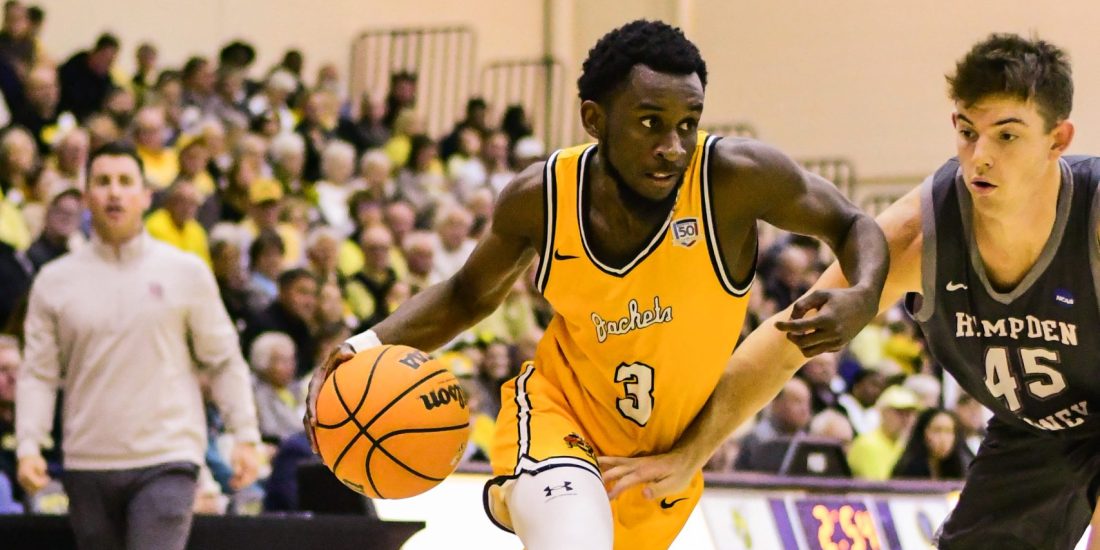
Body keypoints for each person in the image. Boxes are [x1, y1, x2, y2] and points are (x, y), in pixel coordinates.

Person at [305, 19, 888, 550]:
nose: (673, 147)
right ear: (594, 119)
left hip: (661, 456)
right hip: (561, 419)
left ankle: (512, 499)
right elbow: (466, 295)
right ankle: (524, 485)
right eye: (649, 123)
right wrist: (359, 349)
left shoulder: (735, 178)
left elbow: (853, 223)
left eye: (688, 124)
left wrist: (862, 296)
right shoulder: (543, 198)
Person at [600, 34, 1100, 550]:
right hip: (1037, 427)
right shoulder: (922, 235)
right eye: (969, 132)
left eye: (1008, 136)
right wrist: (690, 453)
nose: (981, 157)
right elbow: (788, 337)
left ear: (1058, 140)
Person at [16, 143, 260, 550]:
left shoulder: (186, 272)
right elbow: (38, 373)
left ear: (146, 196)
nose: (114, 192)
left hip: (167, 458)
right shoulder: (53, 281)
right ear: (87, 195)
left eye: (126, 182)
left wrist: (246, 436)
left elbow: (222, 360)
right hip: (86, 461)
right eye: (103, 182)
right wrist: (28, 445)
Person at [891, 407, 971, 480]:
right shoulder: (907, 469)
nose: (943, 438)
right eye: (937, 430)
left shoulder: (962, 467)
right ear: (923, 433)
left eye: (949, 431)